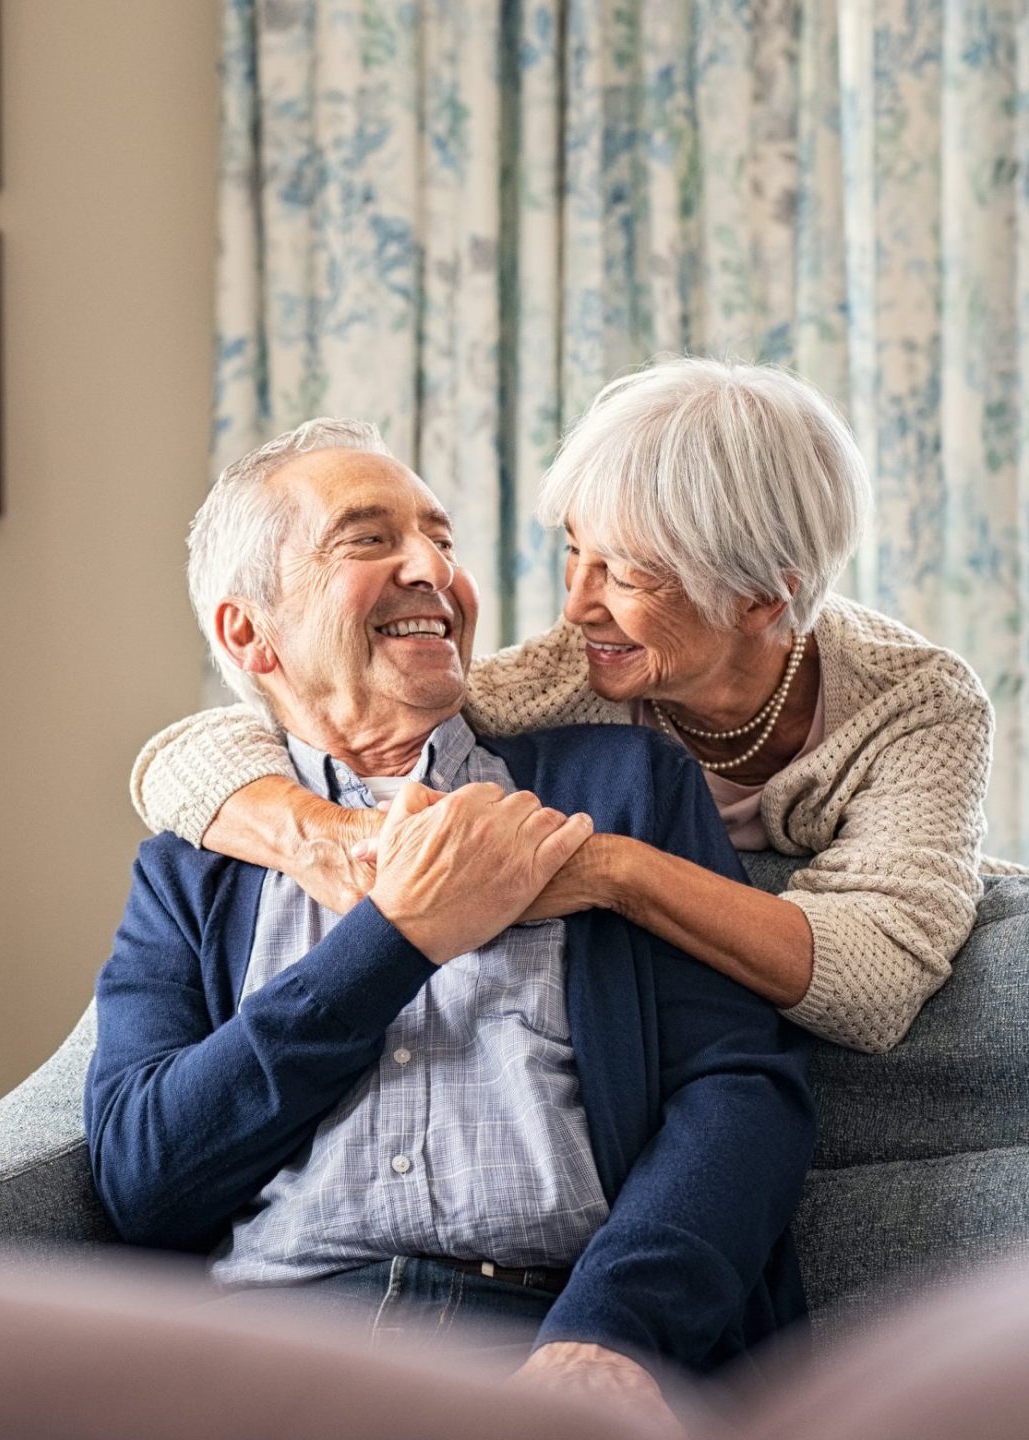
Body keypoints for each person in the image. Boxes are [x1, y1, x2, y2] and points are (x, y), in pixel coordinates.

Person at [86, 420, 814, 1431]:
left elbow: (742, 1096)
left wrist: (610, 1337)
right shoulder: (193, 865)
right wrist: (397, 939)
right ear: (250, 633)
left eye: (443, 540)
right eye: (368, 540)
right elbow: (143, 1178)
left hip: (544, 1335)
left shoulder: (618, 790)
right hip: (277, 1355)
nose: (433, 569)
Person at [133, 358, 1003, 1055]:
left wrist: (608, 872)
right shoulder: (565, 677)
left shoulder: (915, 706)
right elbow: (197, 751)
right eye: (573, 552)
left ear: (758, 601)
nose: (578, 605)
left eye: (624, 573)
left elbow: (875, 982)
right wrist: (325, 835)